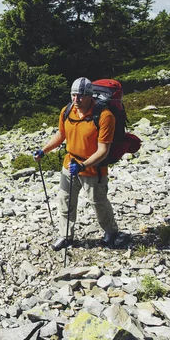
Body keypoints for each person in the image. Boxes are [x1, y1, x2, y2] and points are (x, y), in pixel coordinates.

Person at [33, 77, 119, 251]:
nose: (76, 100)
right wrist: (44, 150)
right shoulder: (67, 111)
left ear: (90, 96)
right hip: (70, 165)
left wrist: (83, 165)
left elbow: (103, 150)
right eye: (73, 95)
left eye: (81, 96)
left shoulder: (104, 116)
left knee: (98, 203)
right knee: (65, 201)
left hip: (94, 170)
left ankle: (111, 231)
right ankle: (66, 236)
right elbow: (61, 135)